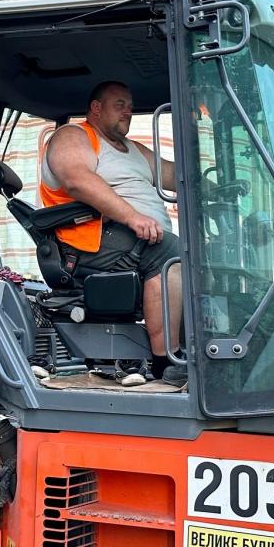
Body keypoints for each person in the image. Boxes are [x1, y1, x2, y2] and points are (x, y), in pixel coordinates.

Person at [41, 80, 184, 385]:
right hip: (87, 243)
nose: (128, 112)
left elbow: (175, 174)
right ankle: (168, 365)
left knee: (190, 253)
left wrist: (215, 175)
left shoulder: (133, 150)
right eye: (120, 104)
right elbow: (76, 179)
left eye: (130, 107)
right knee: (169, 252)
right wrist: (133, 217)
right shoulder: (74, 136)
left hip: (130, 241)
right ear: (96, 108)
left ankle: (192, 351)